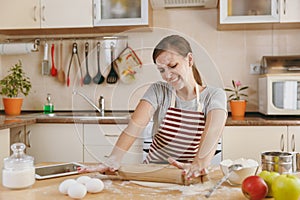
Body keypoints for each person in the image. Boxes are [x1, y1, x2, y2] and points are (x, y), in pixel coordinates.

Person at [79, 35, 227, 179]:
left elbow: (213, 132)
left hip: (189, 174)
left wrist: (198, 164)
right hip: (153, 173)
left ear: (189, 59)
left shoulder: (214, 95)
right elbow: (134, 127)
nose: (167, 75)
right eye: (162, 70)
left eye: (172, 66)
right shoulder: (158, 91)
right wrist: (113, 158)